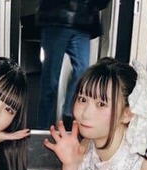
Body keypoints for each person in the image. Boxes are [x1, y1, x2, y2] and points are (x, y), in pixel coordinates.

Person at [35, 0, 110, 129]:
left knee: (82, 72)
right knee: (50, 82)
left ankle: (68, 116)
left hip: (83, 22)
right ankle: (42, 128)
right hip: (57, 19)